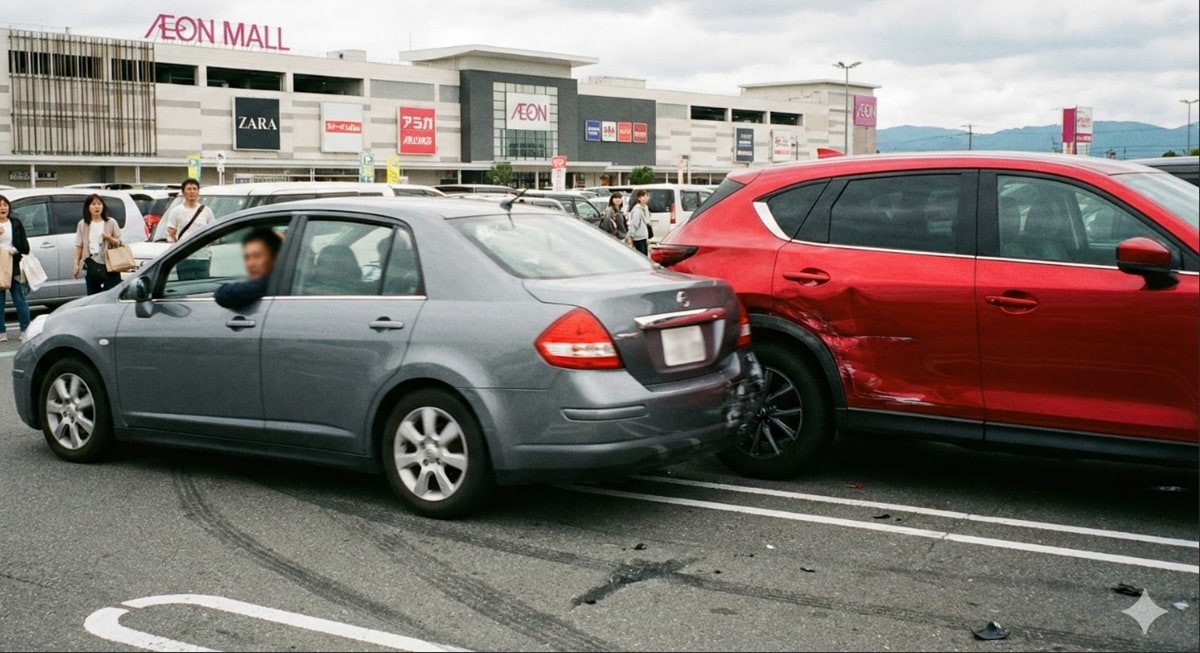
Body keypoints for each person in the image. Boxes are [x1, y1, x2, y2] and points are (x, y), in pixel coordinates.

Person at [215, 228, 282, 309]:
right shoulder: (294, 277)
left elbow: (225, 294)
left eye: (257, 256)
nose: (250, 264)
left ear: (274, 257)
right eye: (247, 257)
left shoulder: (270, 283)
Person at [164, 178, 215, 280]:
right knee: (185, 286)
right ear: (183, 192)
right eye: (189, 189)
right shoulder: (176, 211)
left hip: (202, 257)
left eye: (194, 189)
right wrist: (176, 249)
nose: (192, 192)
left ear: (198, 192)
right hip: (184, 257)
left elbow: (212, 231)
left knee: (202, 287)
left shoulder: (206, 211)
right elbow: (171, 233)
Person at [72, 194, 123, 295]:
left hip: (109, 265)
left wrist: (109, 238)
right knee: (93, 295)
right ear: (88, 207)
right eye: (93, 204)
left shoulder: (111, 222)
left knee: (110, 295)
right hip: (91, 263)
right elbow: (79, 245)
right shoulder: (83, 224)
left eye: (99, 204)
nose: (97, 207)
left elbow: (119, 243)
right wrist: (76, 264)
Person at [0, 194, 32, 342]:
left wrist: (13, 250)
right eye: (0, 205)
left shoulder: (15, 223)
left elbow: (25, 246)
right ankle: (1, 332)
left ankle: (25, 329)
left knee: (19, 298)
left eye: (5, 204)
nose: (2, 208)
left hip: (14, 265)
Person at [628, 189, 652, 255]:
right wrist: (631, 236)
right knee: (641, 255)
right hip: (638, 237)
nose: (646, 198)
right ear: (639, 198)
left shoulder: (646, 207)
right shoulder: (637, 209)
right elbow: (634, 224)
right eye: (643, 196)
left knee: (645, 255)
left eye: (647, 196)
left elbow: (647, 220)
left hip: (644, 236)